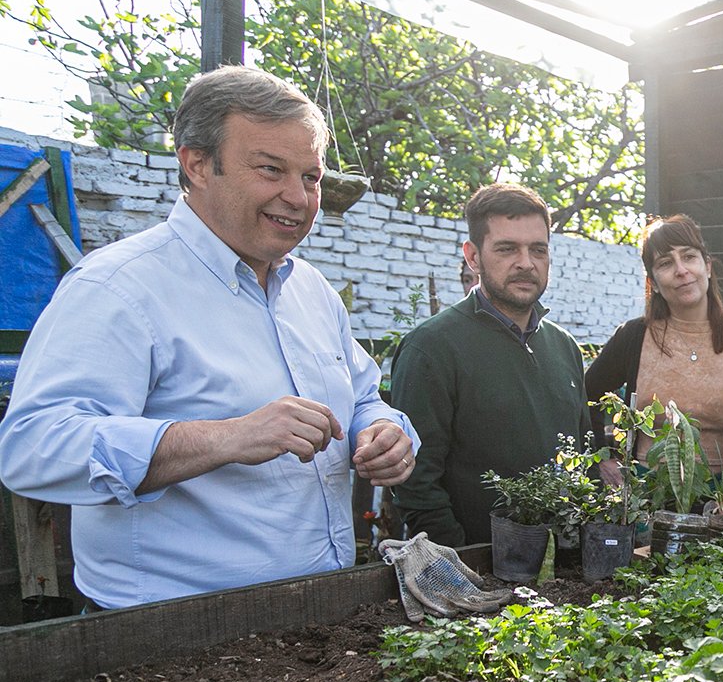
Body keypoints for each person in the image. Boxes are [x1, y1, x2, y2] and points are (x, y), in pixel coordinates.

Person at [0, 66, 417, 610]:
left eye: (311, 178)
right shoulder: (118, 287)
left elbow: (363, 396)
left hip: (321, 614)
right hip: (168, 639)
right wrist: (225, 438)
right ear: (196, 164)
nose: (298, 197)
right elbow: (32, 448)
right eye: (271, 170)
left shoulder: (310, 288)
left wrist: (384, 430)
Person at [389, 183, 587, 548]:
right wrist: (461, 563)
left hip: (567, 570)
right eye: (507, 248)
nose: (526, 263)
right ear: (473, 256)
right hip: (476, 575)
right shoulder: (431, 348)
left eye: (538, 250)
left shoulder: (565, 348)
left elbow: (582, 460)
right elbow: (415, 482)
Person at [585, 214, 723, 502]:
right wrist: (605, 456)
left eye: (689, 257)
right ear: (654, 282)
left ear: (707, 267)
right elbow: (586, 396)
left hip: (720, 499)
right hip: (644, 499)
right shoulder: (633, 337)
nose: (681, 270)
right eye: (665, 263)